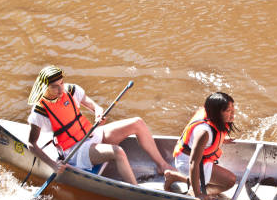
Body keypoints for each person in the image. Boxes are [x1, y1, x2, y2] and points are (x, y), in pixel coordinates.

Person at [26, 65, 173, 185]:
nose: (60, 90)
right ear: (44, 86)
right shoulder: (40, 112)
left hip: (90, 135)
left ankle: (162, 165)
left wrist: (98, 113)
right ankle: (137, 190)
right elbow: (31, 144)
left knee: (137, 122)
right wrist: (53, 165)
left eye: (61, 83)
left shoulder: (71, 90)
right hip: (76, 150)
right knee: (118, 152)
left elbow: (94, 106)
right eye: (54, 87)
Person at [163, 92, 237, 200]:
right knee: (230, 181)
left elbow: (210, 139)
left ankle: (173, 176)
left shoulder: (213, 122)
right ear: (216, 113)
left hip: (198, 159)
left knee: (223, 180)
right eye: (228, 111)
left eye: (233, 109)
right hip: (187, 161)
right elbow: (193, 162)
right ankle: (198, 190)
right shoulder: (204, 132)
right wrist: (199, 194)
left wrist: (221, 140)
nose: (233, 114)